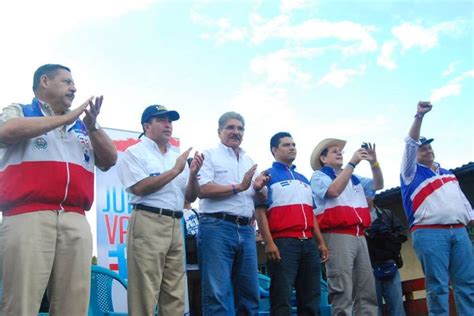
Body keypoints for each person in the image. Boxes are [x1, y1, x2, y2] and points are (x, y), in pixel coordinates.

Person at [0, 64, 117, 315]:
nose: (74, 88)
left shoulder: (85, 125)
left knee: (73, 304)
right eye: (67, 82)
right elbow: (6, 132)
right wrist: (66, 118)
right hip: (28, 215)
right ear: (45, 81)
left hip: (75, 218)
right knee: (21, 302)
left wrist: (93, 126)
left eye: (73, 83)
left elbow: (110, 160)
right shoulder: (21, 110)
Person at [117, 104, 203, 315]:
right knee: (144, 292)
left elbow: (190, 197)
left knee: (175, 292)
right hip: (148, 219)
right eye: (161, 120)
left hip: (176, 223)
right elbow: (140, 187)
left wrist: (192, 175)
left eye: (170, 121)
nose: (168, 125)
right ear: (147, 126)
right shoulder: (134, 152)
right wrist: (175, 170)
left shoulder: (176, 155)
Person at [400, 101, 474, 315]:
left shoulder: (449, 173)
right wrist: (419, 116)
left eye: (429, 147)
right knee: (438, 286)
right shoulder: (410, 173)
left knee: (467, 284)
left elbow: (465, 205)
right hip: (429, 233)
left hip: (459, 232)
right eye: (422, 148)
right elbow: (410, 143)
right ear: (414, 155)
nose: (427, 150)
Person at [197, 111, 268, 315]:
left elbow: (258, 198)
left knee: (249, 295)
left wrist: (261, 189)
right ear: (219, 131)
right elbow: (202, 190)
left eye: (240, 128)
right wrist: (240, 186)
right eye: (230, 127)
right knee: (217, 294)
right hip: (217, 227)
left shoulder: (249, 160)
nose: (235, 132)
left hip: (246, 230)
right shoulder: (209, 155)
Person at [255, 132, 329, 315]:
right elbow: (260, 211)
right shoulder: (267, 177)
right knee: (282, 297)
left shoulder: (304, 179)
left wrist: (320, 242)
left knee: (311, 297)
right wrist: (269, 242)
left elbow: (311, 214)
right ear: (274, 150)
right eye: (286, 145)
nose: (292, 147)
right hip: (283, 243)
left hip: (308, 244)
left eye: (294, 144)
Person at [310, 139, 383, 316]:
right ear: (323, 159)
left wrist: (374, 162)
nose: (339, 153)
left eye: (340, 151)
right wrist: (352, 163)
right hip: (336, 235)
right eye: (334, 151)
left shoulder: (353, 178)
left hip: (359, 235)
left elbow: (378, 184)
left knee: (366, 291)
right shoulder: (319, 176)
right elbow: (333, 191)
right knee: (342, 290)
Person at [365, 199, 407, 316]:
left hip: (389, 265)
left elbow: (402, 235)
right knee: (373, 310)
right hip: (368, 268)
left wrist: (388, 234)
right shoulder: (356, 216)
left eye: (368, 192)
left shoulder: (386, 214)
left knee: (397, 307)